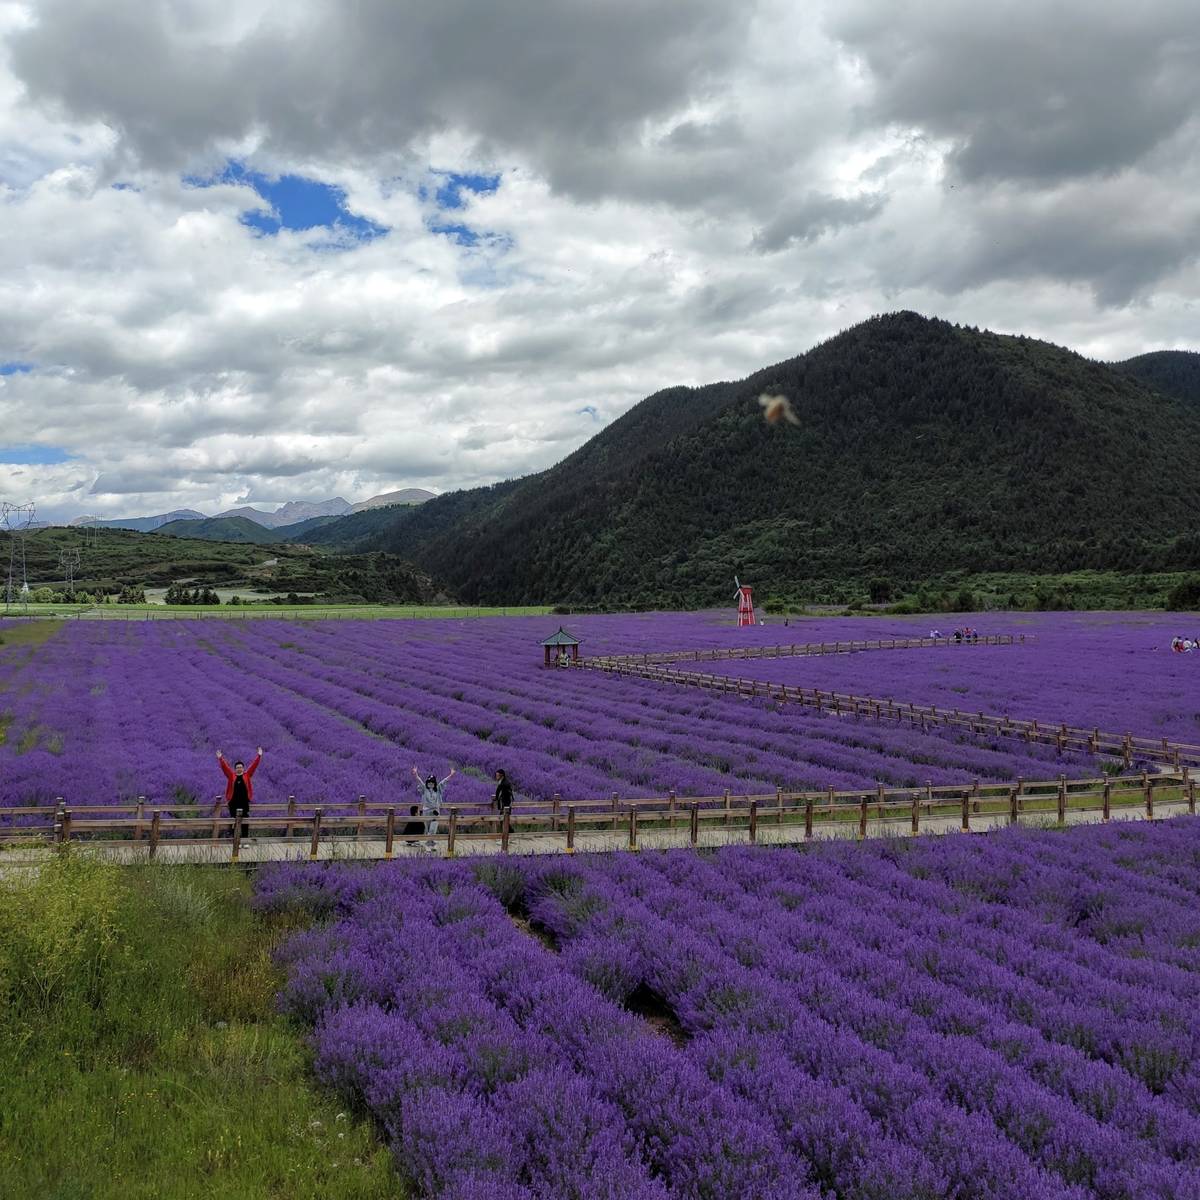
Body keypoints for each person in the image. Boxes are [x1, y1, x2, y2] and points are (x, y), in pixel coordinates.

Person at [217, 747, 262, 840]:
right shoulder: (231, 776)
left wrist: (259, 756)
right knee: (234, 821)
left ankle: (245, 840)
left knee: (245, 821)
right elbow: (225, 768)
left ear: (243, 768)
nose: (239, 769)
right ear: (235, 769)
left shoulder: (247, 775)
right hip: (233, 803)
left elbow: (254, 766)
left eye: (241, 767)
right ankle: (235, 840)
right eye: (237, 767)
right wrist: (220, 758)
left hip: (244, 803)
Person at [412, 766, 454, 850]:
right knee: (427, 829)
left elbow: (444, 782)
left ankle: (429, 845)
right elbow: (419, 781)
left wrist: (451, 775)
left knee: (433, 828)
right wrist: (416, 774)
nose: (430, 784)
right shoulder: (424, 789)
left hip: (435, 811)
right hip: (426, 811)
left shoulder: (438, 789)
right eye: (429, 782)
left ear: (434, 783)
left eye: (432, 782)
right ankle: (430, 845)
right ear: (427, 783)